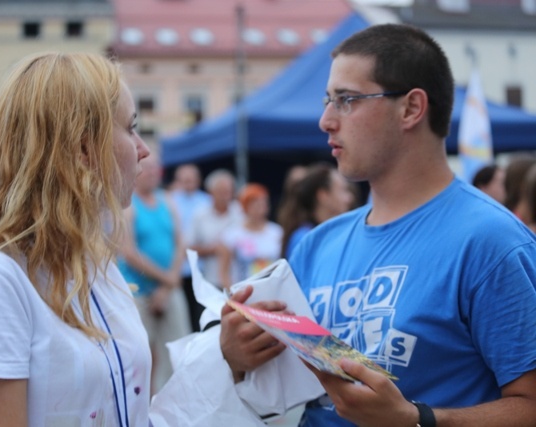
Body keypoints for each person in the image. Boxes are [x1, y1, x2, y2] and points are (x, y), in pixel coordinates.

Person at [220, 23, 536, 427]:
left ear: (411, 109)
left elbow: (529, 404)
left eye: (347, 100)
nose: (326, 121)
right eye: (327, 100)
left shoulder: (491, 242)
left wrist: (417, 420)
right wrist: (238, 357)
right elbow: (285, 390)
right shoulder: (317, 244)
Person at [0, 52, 212, 427]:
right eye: (130, 127)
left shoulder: (93, 264)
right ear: (84, 148)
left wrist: (226, 359)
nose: (143, 148)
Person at [118, 152, 190, 394]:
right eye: (146, 169)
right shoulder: (129, 205)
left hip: (168, 289)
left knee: (180, 347)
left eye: (155, 169)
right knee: (141, 354)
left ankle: (174, 403)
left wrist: (167, 286)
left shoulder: (167, 200)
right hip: (139, 291)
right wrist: (167, 278)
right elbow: (129, 251)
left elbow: (181, 242)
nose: (151, 174)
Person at [185, 169, 243, 327]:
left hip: (239, 281)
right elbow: (189, 248)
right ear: (211, 192)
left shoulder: (240, 212)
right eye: (222, 192)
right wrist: (212, 250)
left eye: (229, 191)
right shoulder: (200, 215)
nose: (226, 196)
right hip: (211, 283)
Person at [278, 162, 354, 259]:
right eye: (342, 190)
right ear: (323, 195)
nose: (349, 198)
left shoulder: (342, 232)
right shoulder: (304, 239)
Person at [168, 163, 211, 332]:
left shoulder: (206, 201)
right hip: (178, 267)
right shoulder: (170, 200)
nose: (187, 183)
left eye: (190, 179)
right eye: (184, 179)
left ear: (198, 180)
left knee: (200, 312)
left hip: (201, 266)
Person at [218, 183, 283, 289]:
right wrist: (232, 294)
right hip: (244, 291)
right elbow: (224, 271)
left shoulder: (277, 232)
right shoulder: (232, 235)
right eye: (255, 203)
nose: (260, 207)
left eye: (263, 203)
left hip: (273, 289)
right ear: (245, 206)